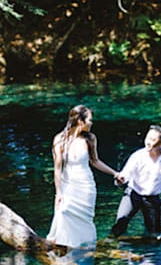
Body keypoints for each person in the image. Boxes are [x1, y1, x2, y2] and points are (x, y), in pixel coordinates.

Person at [47, 104, 123, 248]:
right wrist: (58, 193)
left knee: (85, 220)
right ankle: (63, 250)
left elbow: (95, 161)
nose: (91, 123)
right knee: (63, 212)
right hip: (68, 184)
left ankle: (86, 250)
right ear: (80, 121)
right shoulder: (59, 140)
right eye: (89, 120)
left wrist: (114, 173)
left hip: (86, 185)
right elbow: (57, 169)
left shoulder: (90, 138)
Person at [110, 125, 161, 237]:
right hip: (133, 194)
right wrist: (120, 180)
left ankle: (150, 253)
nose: (148, 142)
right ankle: (110, 247)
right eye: (147, 138)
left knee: (155, 234)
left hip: (152, 199)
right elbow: (125, 174)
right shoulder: (138, 156)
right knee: (120, 224)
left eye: (153, 140)